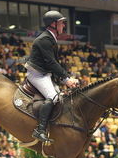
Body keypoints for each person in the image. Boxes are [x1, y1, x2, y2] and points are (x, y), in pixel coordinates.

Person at [25, 11, 79, 142]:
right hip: (38, 74)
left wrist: (65, 78)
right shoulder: (45, 39)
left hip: (44, 73)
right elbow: (51, 62)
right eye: (61, 23)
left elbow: (53, 64)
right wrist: (66, 79)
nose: (63, 26)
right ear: (53, 24)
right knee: (53, 97)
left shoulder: (50, 38)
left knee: (60, 99)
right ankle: (40, 129)